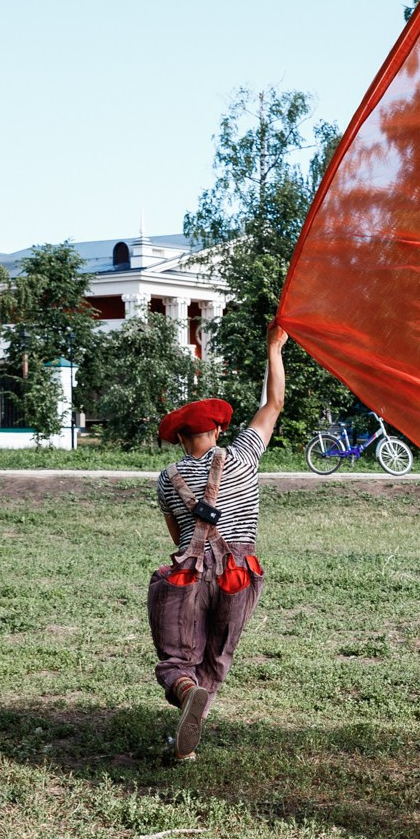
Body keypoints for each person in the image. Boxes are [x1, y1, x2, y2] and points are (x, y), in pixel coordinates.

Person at [150, 323, 288, 762]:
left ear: (181, 439)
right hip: (237, 572)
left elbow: (179, 537)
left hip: (189, 570)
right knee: (216, 654)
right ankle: (193, 725)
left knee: (177, 656)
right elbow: (274, 404)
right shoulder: (244, 456)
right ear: (217, 431)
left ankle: (185, 693)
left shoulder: (167, 478)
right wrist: (273, 347)